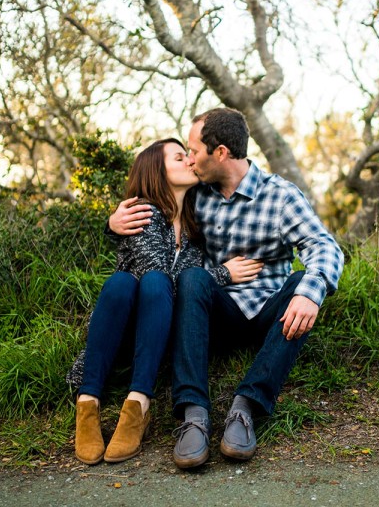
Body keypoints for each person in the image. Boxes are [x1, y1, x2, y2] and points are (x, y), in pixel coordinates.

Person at [108, 108, 345, 469]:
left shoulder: (280, 195)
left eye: (194, 150)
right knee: (193, 278)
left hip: (269, 312)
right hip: (215, 313)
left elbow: (324, 246)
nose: (189, 159)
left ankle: (246, 407)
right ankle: (194, 413)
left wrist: (311, 291)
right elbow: (157, 208)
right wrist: (113, 223)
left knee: (303, 283)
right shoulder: (197, 194)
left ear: (220, 152)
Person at [73, 138, 261, 465]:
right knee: (128, 281)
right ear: (156, 170)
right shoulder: (140, 212)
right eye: (179, 157)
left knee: (154, 282)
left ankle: (138, 403)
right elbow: (159, 275)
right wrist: (223, 274)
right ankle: (87, 403)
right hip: (126, 328)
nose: (190, 161)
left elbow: (186, 291)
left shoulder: (194, 226)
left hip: (160, 333)